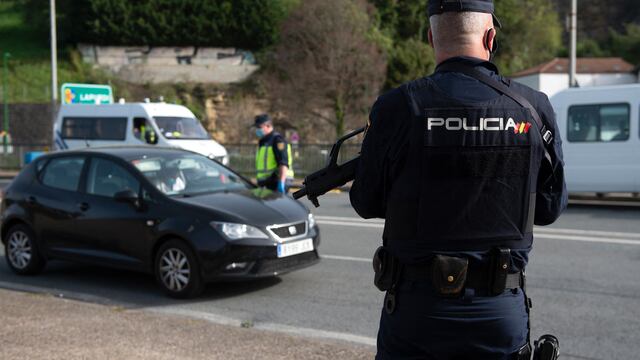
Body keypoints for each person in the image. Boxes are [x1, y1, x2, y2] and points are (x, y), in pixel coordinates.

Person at [349, 1, 568, 359]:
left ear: (430, 37)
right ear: (490, 36)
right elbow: (548, 208)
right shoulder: (533, 107)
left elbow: (365, 202)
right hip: (498, 312)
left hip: (416, 315)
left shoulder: (397, 106)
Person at [253, 114, 294, 193]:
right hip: (267, 183)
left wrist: (281, 182)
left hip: (276, 182)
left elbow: (283, 163)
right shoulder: (264, 141)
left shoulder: (277, 140)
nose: (257, 130)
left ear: (268, 125)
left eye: (259, 127)